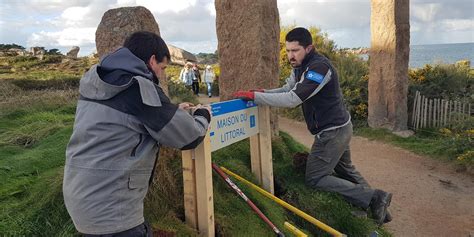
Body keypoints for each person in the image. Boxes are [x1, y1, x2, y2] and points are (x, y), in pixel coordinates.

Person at [233, 27, 392, 225]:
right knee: (346, 170)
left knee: (316, 177)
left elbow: (293, 98)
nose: (290, 55)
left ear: (309, 48)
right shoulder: (299, 66)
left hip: (332, 132)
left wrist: (256, 97)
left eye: (295, 51)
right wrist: (262, 91)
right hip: (340, 127)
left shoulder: (318, 68)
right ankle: (380, 210)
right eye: (288, 50)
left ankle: (375, 198)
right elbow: (287, 88)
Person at [63, 31, 212, 236]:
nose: (161, 75)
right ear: (152, 60)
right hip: (112, 209)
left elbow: (129, 117)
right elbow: (189, 136)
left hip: (82, 193)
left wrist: (172, 111)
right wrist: (203, 114)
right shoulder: (138, 87)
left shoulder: (100, 80)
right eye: (162, 68)